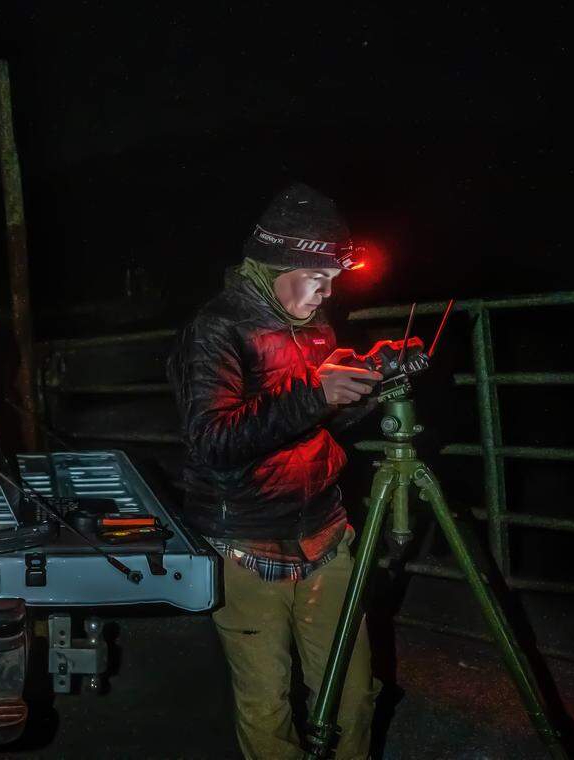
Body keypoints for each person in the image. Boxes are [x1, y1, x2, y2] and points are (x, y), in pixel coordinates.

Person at [168, 182, 382, 760]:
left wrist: (366, 388)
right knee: (267, 708)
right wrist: (316, 394)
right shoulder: (216, 329)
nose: (325, 293)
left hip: (326, 534)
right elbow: (213, 442)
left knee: (353, 698)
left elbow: (310, 427)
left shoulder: (315, 327)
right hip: (246, 543)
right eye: (317, 279)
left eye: (333, 281)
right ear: (278, 264)